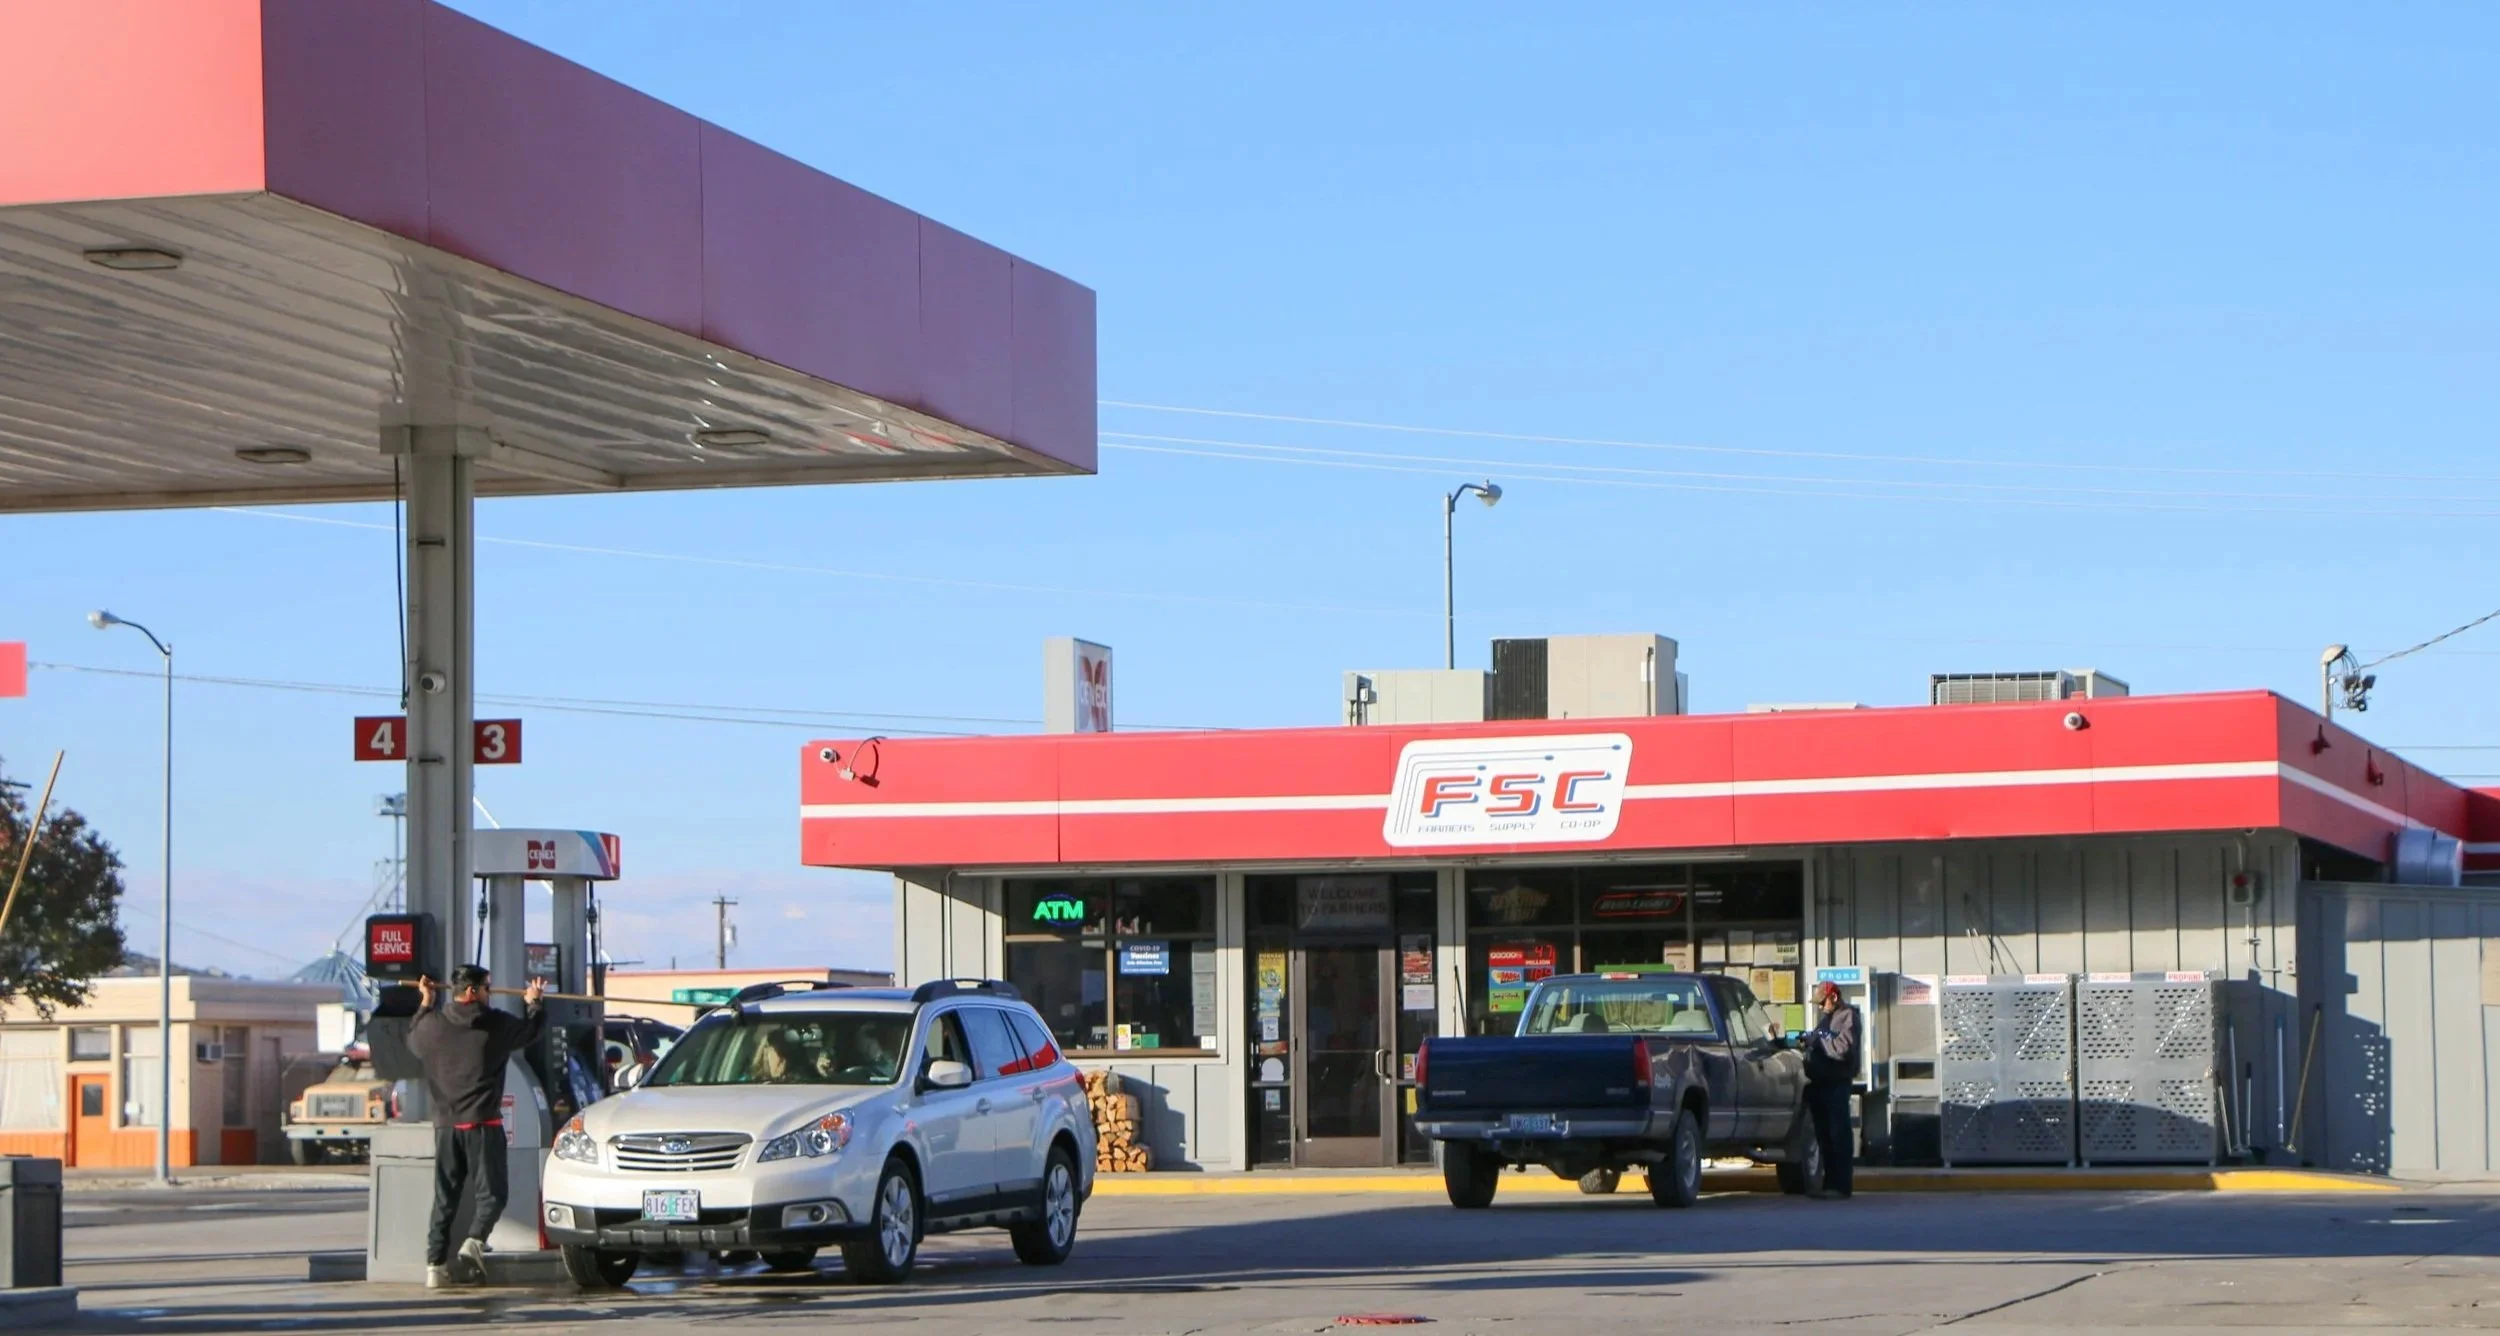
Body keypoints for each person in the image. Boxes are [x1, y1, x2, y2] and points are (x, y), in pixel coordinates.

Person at [408, 966, 546, 1288]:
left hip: (445, 1126)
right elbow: (532, 1032)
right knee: (494, 1195)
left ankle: (435, 1266)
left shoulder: (432, 1026)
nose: (490, 993)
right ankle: (474, 1243)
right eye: (486, 987)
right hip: (483, 1124)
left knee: (445, 1198)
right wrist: (534, 1002)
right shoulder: (493, 1024)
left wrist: (426, 1002)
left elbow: (412, 1039)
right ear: (471, 992)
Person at [1801, 980, 1860, 1200]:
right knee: (1824, 1135)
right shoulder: (1826, 1020)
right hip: (1819, 1083)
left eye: (1822, 1002)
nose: (1819, 1007)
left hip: (1836, 1082)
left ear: (1834, 997)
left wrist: (1818, 1040)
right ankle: (1829, 1183)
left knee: (1838, 1134)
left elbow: (1842, 1049)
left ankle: (1841, 1185)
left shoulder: (1848, 1017)